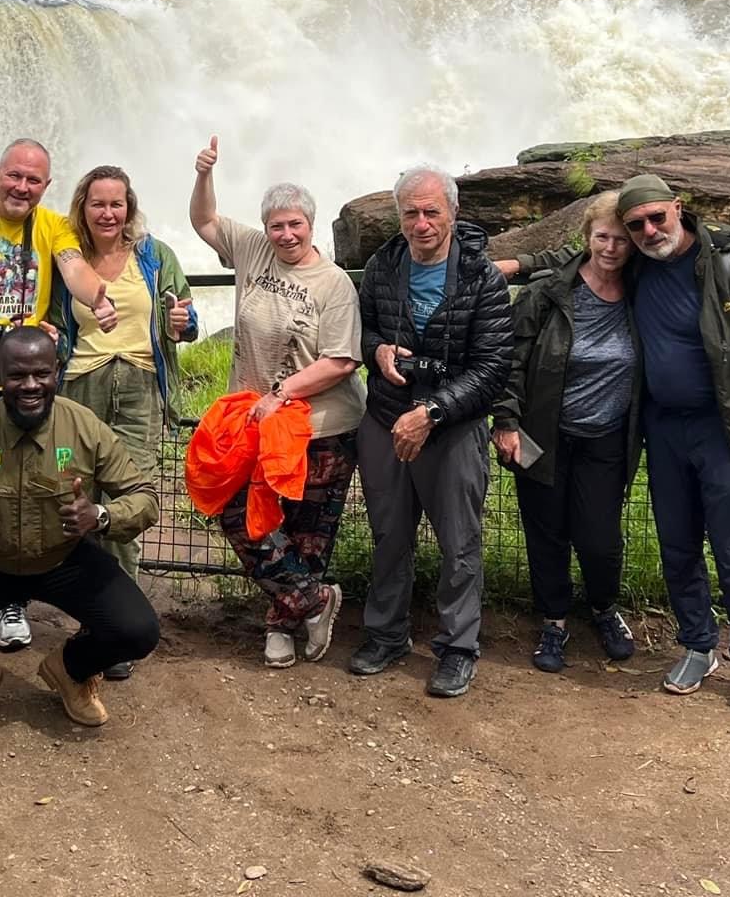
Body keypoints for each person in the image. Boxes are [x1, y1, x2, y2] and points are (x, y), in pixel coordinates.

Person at [0, 326, 161, 738]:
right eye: (17, 375)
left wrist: (101, 516)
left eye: (41, 373)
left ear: (57, 372)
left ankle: (71, 669)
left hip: (64, 557)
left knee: (138, 630)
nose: (31, 385)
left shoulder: (84, 428)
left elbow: (143, 496)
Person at [616, 173, 730, 718]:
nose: (650, 231)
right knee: (677, 548)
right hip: (663, 431)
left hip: (725, 434)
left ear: (679, 208)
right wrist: (514, 264)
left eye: (657, 217)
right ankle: (698, 645)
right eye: (637, 225)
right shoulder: (634, 266)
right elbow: (576, 250)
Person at [0, 138, 120, 653]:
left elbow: (74, 269)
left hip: (26, 388)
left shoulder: (55, 227)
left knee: (23, 494)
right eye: (14, 176)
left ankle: (13, 602)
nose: (21, 187)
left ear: (46, 186)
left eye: (33, 180)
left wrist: (96, 297)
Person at [187, 135, 363, 669]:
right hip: (255, 423)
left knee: (308, 533)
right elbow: (204, 221)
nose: (285, 234)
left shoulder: (333, 283)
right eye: (276, 225)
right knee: (244, 516)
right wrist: (203, 174)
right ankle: (313, 602)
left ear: (311, 225)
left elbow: (340, 360)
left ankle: (281, 628)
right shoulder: (253, 250)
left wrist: (281, 392)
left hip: (321, 427)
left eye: (295, 225)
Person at [349, 165, 515, 698]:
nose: (421, 224)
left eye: (431, 212)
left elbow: (492, 368)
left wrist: (434, 412)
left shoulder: (480, 277)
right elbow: (366, 328)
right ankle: (386, 635)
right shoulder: (382, 266)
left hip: (452, 427)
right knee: (389, 534)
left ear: (453, 213)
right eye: (410, 213)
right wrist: (375, 351)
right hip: (384, 418)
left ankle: (458, 648)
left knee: (459, 543)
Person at [51, 164, 200, 680]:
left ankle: (119, 624)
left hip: (138, 389)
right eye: (98, 204)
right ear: (83, 208)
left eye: (117, 203)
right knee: (78, 499)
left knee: (126, 505)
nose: (108, 213)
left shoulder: (155, 256)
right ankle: (94, 618)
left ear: (129, 207)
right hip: (80, 389)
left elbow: (187, 318)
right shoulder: (67, 259)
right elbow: (53, 317)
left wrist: (183, 324)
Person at [492, 189, 643, 675]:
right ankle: (554, 622)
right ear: (587, 238)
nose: (611, 248)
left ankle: (603, 609)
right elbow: (509, 361)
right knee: (547, 534)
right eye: (602, 236)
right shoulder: (549, 292)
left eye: (622, 239)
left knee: (600, 539)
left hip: (606, 439)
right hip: (544, 435)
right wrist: (506, 422)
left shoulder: (645, 292)